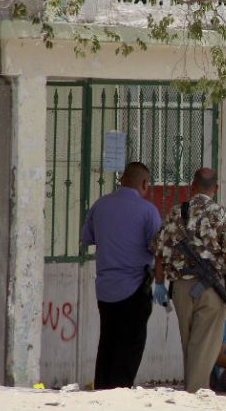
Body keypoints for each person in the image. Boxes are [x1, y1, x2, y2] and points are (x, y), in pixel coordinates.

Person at [151, 167, 226, 393]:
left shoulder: (175, 213)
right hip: (212, 290)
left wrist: (160, 284)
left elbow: (159, 252)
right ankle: (195, 395)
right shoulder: (222, 214)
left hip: (180, 288)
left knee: (190, 343)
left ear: (191, 187)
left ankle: (193, 392)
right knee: (204, 346)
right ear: (216, 189)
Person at [80, 161, 162, 389]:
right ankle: (119, 395)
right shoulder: (148, 211)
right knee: (129, 348)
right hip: (135, 287)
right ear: (145, 184)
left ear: (121, 180)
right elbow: (158, 248)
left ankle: (102, 390)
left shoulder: (100, 205)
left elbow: (87, 238)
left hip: (105, 289)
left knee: (107, 342)